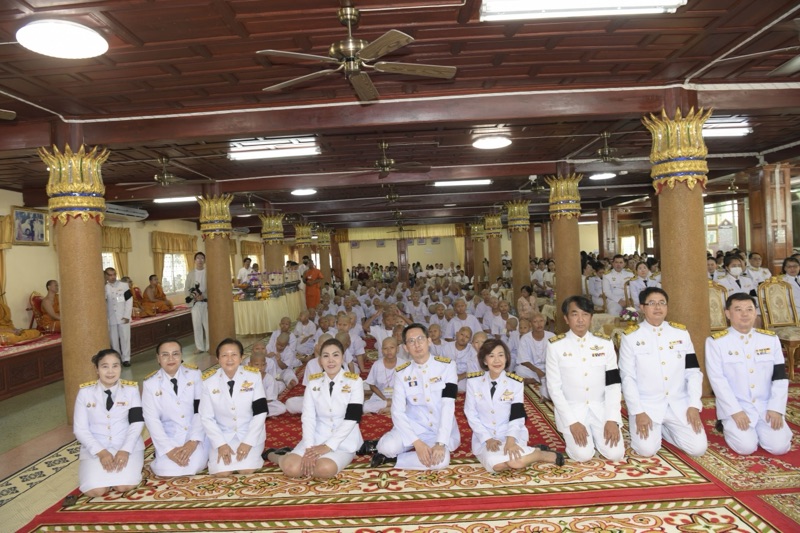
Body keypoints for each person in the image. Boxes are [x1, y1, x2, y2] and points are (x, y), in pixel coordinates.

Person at [619, 288, 707, 458]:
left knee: (698, 449)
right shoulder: (631, 337)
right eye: (652, 303)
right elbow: (627, 378)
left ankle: (665, 431)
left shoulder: (681, 333)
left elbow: (693, 372)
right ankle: (657, 430)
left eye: (662, 303)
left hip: (678, 403)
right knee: (646, 450)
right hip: (647, 405)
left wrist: (694, 405)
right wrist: (638, 411)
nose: (658, 307)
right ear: (642, 308)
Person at [704, 293, 792, 456]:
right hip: (737, 405)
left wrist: (776, 408)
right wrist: (735, 411)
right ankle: (725, 424)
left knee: (779, 447)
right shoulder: (716, 342)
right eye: (738, 309)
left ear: (755, 313)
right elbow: (718, 381)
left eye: (749, 309)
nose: (744, 314)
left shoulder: (770, 339)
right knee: (746, 447)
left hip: (765, 405)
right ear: (728, 314)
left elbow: (780, 377)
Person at [266, 338, 364, 478]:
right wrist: (309, 448)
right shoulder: (314, 383)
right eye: (326, 356)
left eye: (335, 355)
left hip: (344, 440)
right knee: (291, 468)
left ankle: (341, 456)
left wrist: (328, 446)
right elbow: (308, 417)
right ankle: (275, 455)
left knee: (324, 469)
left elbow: (352, 419)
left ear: (342, 358)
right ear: (320, 360)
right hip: (318, 436)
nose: (331, 360)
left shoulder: (355, 382)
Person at [370, 323, 460, 470]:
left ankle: (393, 460)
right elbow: (397, 411)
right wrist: (416, 443)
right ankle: (384, 448)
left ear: (429, 341)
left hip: (438, 428)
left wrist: (440, 442)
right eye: (411, 341)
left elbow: (448, 405)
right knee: (386, 447)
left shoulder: (447, 367)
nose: (417, 344)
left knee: (441, 461)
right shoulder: (402, 373)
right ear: (405, 348)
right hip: (414, 425)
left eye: (420, 339)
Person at [465, 338, 563, 472]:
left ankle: (540, 454)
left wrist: (510, 441)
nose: (497, 360)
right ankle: (533, 451)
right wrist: (487, 438)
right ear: (484, 360)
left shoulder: (515, 383)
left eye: (501, 355)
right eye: (491, 356)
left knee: (516, 462)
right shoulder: (474, 382)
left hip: (510, 433)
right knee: (497, 466)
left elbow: (517, 415)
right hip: (485, 437)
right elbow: (471, 413)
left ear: (506, 358)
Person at [546, 296, 624, 463]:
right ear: (566, 318)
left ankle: (597, 435)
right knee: (583, 455)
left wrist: (612, 418)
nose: (580, 320)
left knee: (616, 454)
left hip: (600, 408)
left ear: (591, 318)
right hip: (573, 409)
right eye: (575, 314)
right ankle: (577, 437)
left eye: (585, 314)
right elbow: (554, 388)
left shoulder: (605, 344)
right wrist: (572, 422)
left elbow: (613, 384)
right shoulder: (555, 346)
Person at [73, 348, 144, 496]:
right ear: (97, 369)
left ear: (120, 368)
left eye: (115, 366)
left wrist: (125, 450)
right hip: (96, 448)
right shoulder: (85, 393)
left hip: (126, 445)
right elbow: (80, 429)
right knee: (95, 490)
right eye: (105, 366)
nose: (110, 371)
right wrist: (101, 452)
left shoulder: (131, 390)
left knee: (123, 486)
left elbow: (136, 423)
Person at [199, 338, 267, 475]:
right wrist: (220, 444)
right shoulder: (208, 382)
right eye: (224, 355)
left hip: (249, 433)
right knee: (222, 473)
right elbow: (206, 417)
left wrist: (248, 442)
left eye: (234, 354)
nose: (229, 359)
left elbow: (260, 412)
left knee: (246, 470)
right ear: (218, 359)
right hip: (223, 435)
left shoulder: (253, 377)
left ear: (241, 358)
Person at [142, 340, 209, 476]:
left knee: (192, 466)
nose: (171, 359)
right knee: (166, 469)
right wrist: (169, 450)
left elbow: (200, 410)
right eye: (165, 355)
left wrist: (192, 442)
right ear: (158, 358)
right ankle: (161, 455)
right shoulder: (150, 384)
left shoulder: (194, 375)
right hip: (169, 437)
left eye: (175, 354)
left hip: (195, 434)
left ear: (181, 356)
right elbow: (152, 421)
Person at [104, 268, 133, 366]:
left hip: (123, 316)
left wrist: (127, 315)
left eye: (114, 274)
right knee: (114, 340)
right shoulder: (105, 287)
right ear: (106, 276)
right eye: (110, 275)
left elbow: (129, 301)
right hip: (111, 317)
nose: (112, 277)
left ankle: (126, 359)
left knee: (125, 338)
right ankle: (117, 358)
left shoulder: (124, 285)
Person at [364, 337, 400, 414]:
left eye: (392, 348)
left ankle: (390, 407)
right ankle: (392, 406)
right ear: (382, 350)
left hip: (399, 395)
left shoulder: (404, 364)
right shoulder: (377, 364)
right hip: (381, 395)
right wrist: (385, 400)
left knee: (413, 402)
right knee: (365, 407)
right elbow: (372, 385)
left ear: (397, 349)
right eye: (385, 348)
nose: (389, 351)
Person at [185, 252, 209, 353]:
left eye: (202, 258)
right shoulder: (191, 274)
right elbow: (186, 288)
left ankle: (209, 346)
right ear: (195, 261)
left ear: (204, 260)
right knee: (197, 326)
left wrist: (204, 295)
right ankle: (199, 347)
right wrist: (192, 297)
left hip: (206, 303)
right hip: (195, 303)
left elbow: (212, 287)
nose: (200, 260)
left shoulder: (208, 272)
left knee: (207, 326)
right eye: (198, 258)